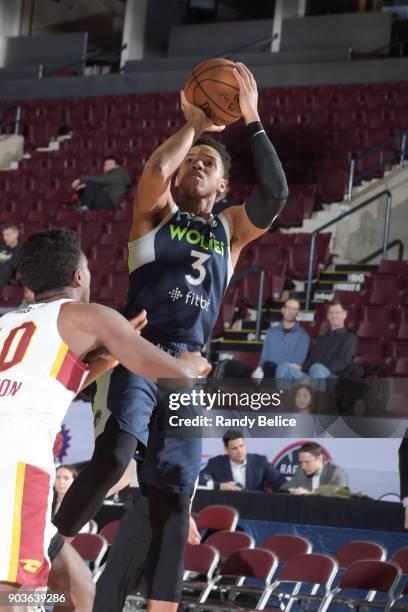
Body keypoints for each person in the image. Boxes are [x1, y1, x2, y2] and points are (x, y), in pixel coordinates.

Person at [54, 62, 288, 612]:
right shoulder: (154, 215)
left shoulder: (230, 231)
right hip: (136, 352)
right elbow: (160, 165)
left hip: (186, 372)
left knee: (174, 502)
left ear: (223, 183)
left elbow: (275, 193)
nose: (195, 166)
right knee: (114, 457)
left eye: (207, 163)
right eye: (192, 162)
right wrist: (197, 126)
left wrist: (251, 119)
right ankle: (52, 540)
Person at [0, 228, 209, 610]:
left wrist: (108, 359)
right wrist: (190, 366)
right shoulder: (91, 316)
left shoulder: (9, 322)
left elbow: (59, 382)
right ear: (79, 275)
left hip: (12, 449)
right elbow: (172, 375)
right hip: (15, 457)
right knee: (13, 593)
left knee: (75, 587)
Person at [276, 300, 358, 390]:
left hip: (334, 378)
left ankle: (317, 402)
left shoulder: (350, 339)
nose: (334, 316)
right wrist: (301, 367)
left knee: (317, 368)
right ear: (327, 316)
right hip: (313, 375)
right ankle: (284, 401)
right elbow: (311, 361)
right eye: (331, 313)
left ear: (344, 315)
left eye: (337, 312)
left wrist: (315, 370)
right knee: (284, 367)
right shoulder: (321, 339)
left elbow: (340, 364)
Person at [199, 429, 285, 492]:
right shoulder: (216, 463)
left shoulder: (260, 461)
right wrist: (219, 486)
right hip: (227, 507)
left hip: (255, 508)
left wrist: (292, 489)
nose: (239, 451)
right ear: (226, 450)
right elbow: (199, 480)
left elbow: (279, 481)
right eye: (234, 448)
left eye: (241, 446)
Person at [252, 299, 310, 380]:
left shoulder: (303, 336)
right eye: (288, 308)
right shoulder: (271, 332)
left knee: (270, 366)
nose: (291, 311)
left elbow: (296, 364)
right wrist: (258, 369)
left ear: (297, 312)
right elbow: (264, 357)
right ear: (282, 310)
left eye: (294, 309)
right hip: (265, 371)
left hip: (284, 374)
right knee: (232, 365)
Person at [279, 442, 348, 494]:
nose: (303, 466)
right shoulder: (300, 470)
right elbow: (285, 487)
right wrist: (293, 490)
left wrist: (309, 494)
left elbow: (341, 496)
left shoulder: (337, 472)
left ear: (320, 458)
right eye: (301, 462)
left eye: (307, 462)